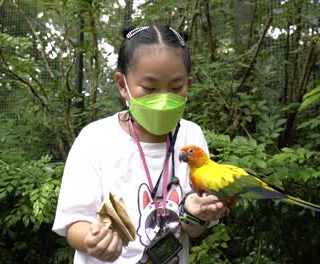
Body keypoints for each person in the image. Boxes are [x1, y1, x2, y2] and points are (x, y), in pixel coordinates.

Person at [52, 24, 228, 264]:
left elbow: (194, 230)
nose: (164, 98)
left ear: (189, 83)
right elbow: (73, 223)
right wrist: (92, 241)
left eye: (176, 87)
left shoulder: (191, 136)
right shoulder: (94, 139)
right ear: (122, 85)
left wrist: (198, 214)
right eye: (149, 88)